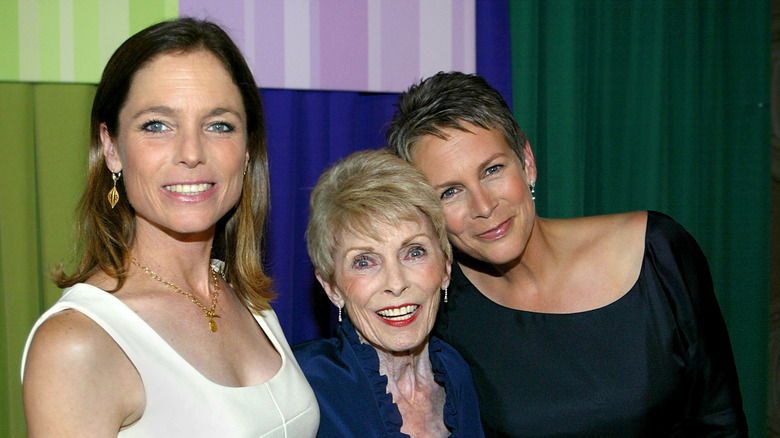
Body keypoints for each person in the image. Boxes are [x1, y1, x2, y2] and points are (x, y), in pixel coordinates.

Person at [385, 71, 748, 437]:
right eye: (449, 192)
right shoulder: (440, 310)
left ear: (526, 161)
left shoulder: (656, 252)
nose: (484, 206)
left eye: (493, 170)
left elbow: (720, 419)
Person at [21, 18, 319, 437]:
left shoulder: (244, 298)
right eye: (157, 125)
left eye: (219, 125)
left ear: (248, 149)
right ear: (111, 148)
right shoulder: (77, 343)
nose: (192, 153)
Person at [293, 150, 485, 438]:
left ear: (446, 268)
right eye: (364, 261)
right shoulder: (302, 385)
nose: (395, 283)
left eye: (414, 252)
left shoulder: (458, 371)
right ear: (332, 288)